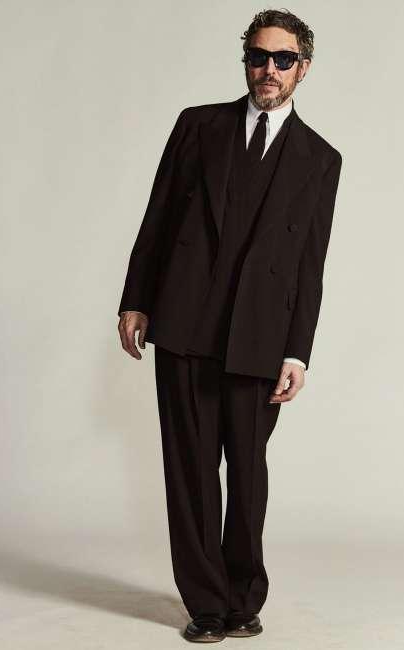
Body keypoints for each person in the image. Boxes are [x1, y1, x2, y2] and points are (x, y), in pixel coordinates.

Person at [117, 8, 342, 643]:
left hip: (261, 339)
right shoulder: (198, 126)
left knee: (246, 475)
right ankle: (208, 605)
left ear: (303, 67)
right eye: (258, 56)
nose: (269, 69)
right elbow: (159, 215)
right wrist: (136, 299)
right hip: (184, 324)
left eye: (283, 59)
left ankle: (244, 598)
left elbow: (311, 264)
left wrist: (298, 352)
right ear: (246, 60)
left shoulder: (321, 159)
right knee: (189, 471)